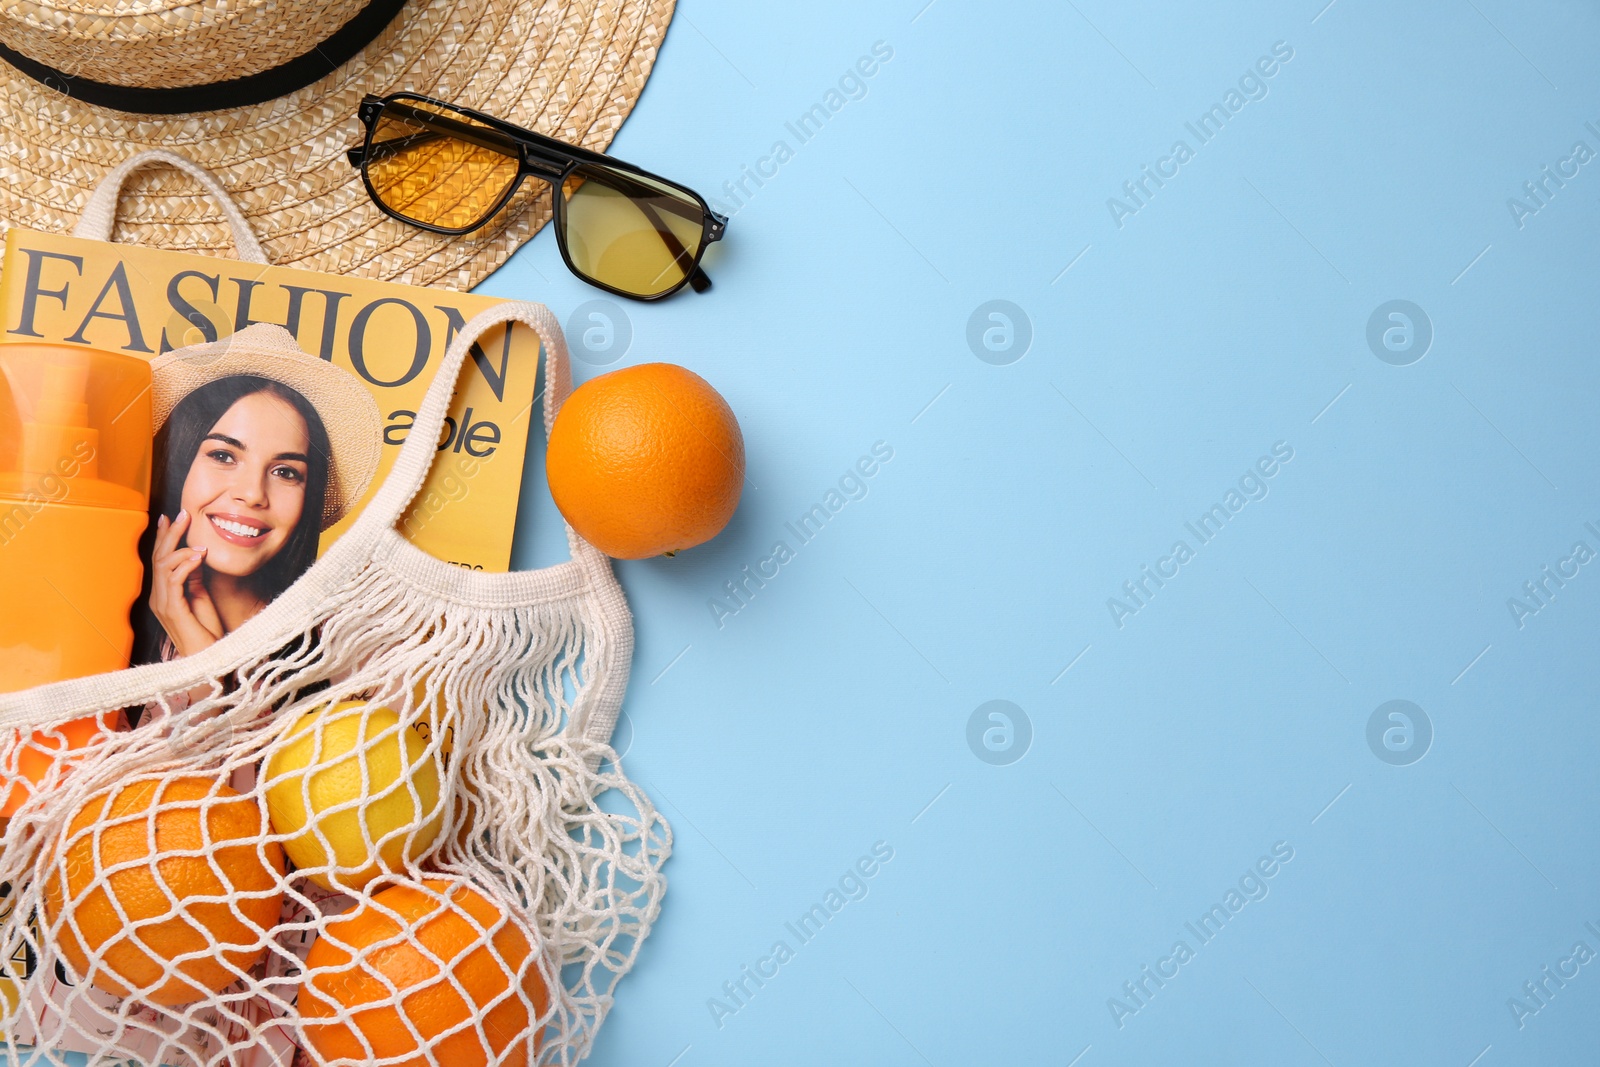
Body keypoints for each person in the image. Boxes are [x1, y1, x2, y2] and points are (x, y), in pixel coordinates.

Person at [132, 326, 382, 666]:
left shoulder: (347, 652)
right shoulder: (103, 621)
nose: (252, 494)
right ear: (175, 463)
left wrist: (205, 664)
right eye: (223, 456)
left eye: (286, 472)